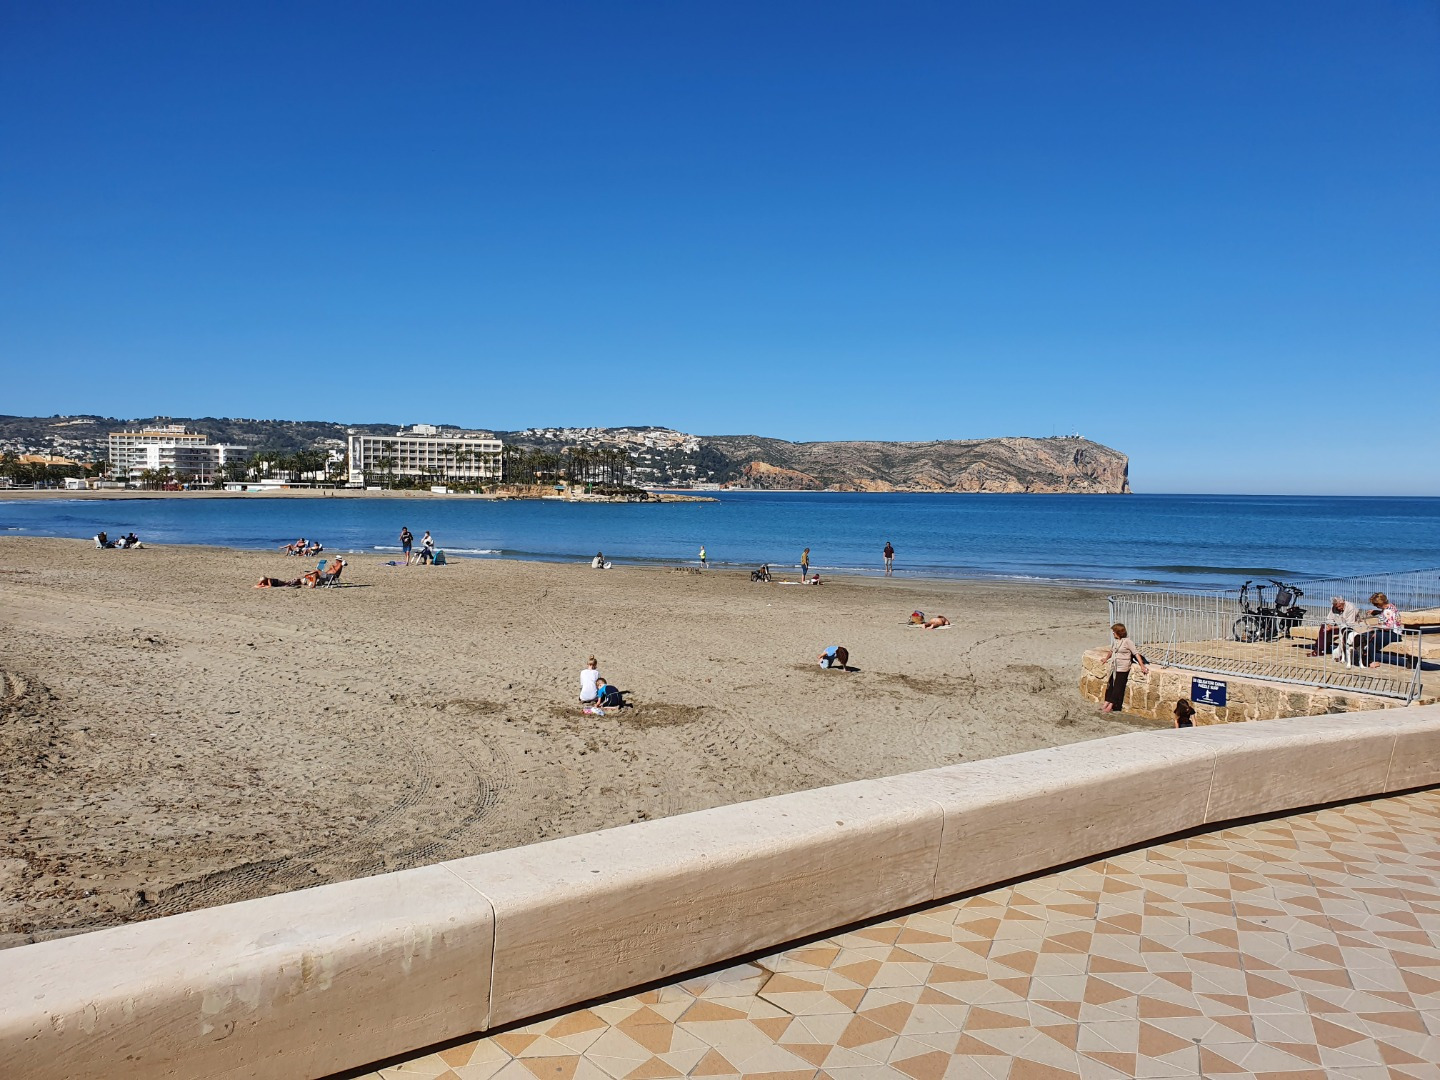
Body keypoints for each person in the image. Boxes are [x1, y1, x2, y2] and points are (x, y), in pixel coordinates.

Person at [1099, 622, 1148, 713]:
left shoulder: (1128, 642)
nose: (1113, 633)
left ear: (1118, 632)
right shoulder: (1115, 641)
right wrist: (1106, 659)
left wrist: (1142, 666)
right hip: (1115, 667)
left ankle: (1111, 705)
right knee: (1110, 685)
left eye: (1114, 631)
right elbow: (1111, 651)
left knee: (1118, 687)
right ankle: (1106, 702)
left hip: (1123, 668)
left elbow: (1136, 653)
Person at [1358, 592, 1407, 668]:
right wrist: (1376, 612)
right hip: (1390, 632)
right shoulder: (1390, 607)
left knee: (1369, 638)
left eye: (1375, 604)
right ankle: (1367, 655)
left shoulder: (1388, 611)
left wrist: (1375, 626)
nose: (1375, 606)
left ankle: (1374, 660)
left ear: (1379, 604)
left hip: (1393, 634)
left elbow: (1389, 626)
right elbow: (1386, 616)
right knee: (1366, 636)